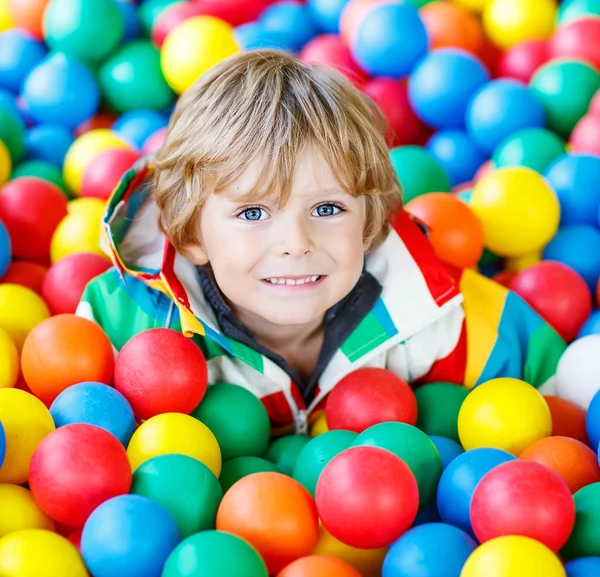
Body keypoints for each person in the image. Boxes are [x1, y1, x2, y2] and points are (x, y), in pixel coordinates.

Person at [78, 50, 565, 435]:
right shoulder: (124, 327)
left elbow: (560, 395)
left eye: (327, 209)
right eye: (252, 212)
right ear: (190, 234)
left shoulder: (439, 313)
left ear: (368, 220)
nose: (295, 243)